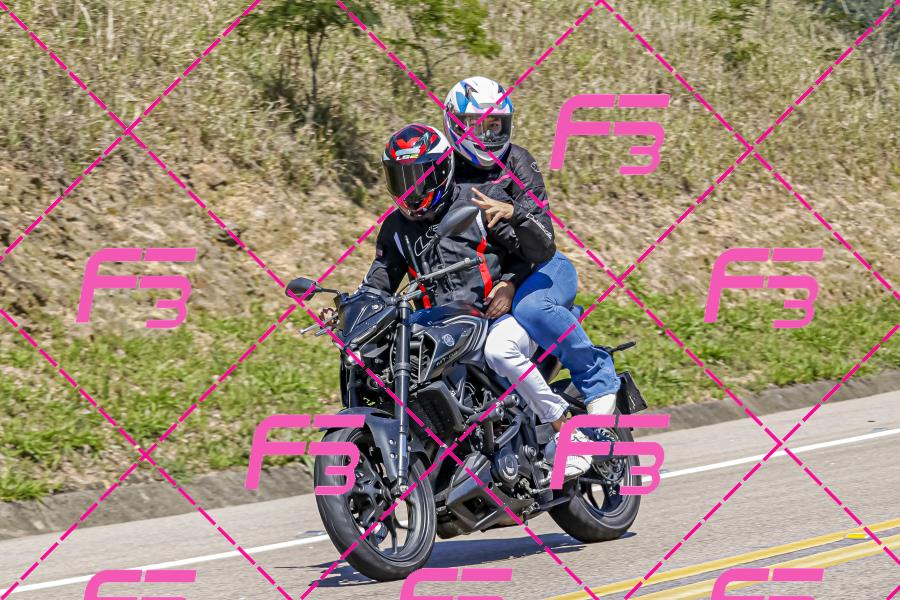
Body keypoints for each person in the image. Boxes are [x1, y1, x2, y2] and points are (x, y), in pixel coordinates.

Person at [359, 122, 594, 478]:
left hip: (495, 318)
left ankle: (562, 426)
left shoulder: (480, 200)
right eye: (400, 178)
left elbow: (533, 251)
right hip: (441, 332)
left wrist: (511, 283)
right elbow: (378, 283)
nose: (410, 189)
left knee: (500, 351)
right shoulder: (396, 229)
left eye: (418, 178)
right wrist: (352, 311)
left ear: (441, 171)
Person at [442, 77, 620, 424]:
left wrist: (511, 273)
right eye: (479, 124)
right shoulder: (446, 172)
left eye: (496, 125)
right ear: (455, 122)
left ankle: (597, 378)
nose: (488, 134)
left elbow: (543, 240)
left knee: (532, 307)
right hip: (497, 277)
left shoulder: (518, 161)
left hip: (541, 267)